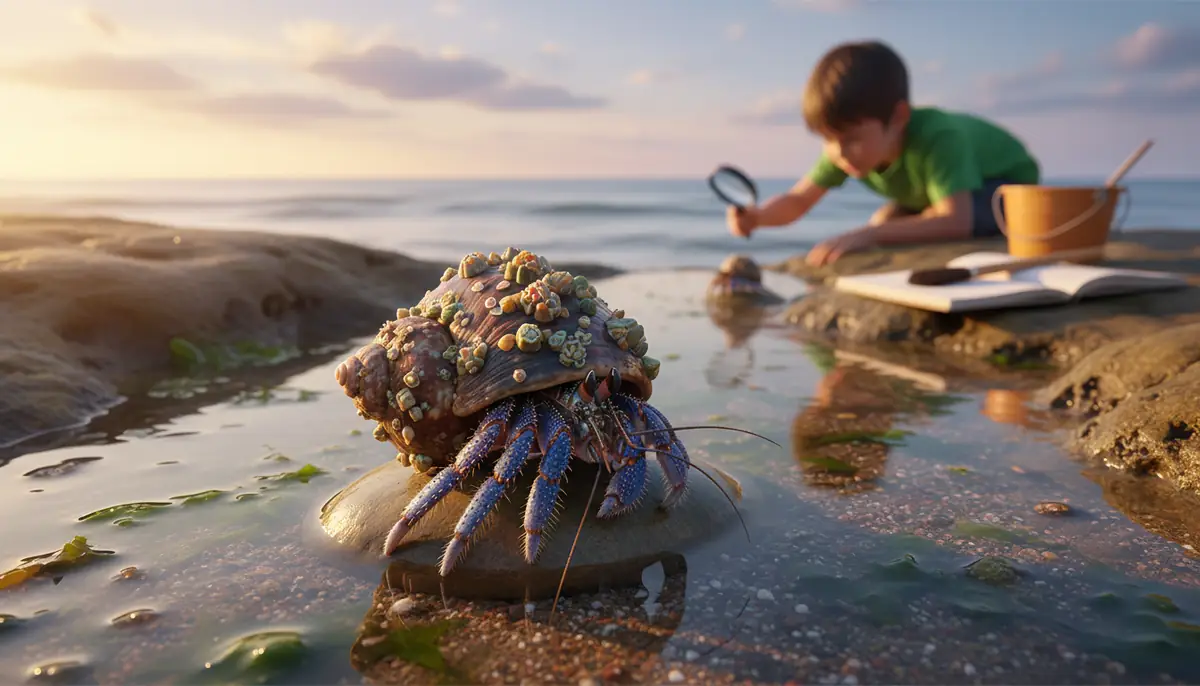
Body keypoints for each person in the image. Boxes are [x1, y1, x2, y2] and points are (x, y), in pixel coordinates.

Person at [728, 40, 1042, 267]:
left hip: (1006, 188)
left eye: (851, 139)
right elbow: (798, 200)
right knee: (885, 221)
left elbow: (957, 221)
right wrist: (757, 218)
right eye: (827, 139)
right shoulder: (845, 149)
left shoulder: (938, 138)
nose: (838, 153)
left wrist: (869, 234)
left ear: (898, 118)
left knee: (882, 226)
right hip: (940, 196)